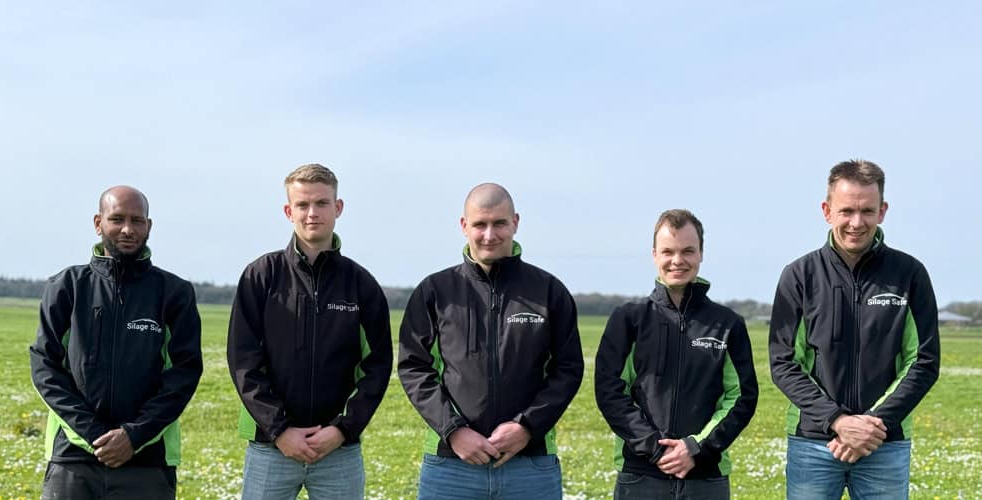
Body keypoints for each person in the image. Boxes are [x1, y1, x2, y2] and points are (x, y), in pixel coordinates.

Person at [398, 183, 584, 500]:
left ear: (515, 222)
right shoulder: (435, 291)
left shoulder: (549, 291)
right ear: (463, 226)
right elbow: (413, 367)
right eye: (479, 224)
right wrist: (453, 431)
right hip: (451, 466)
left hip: (530, 465)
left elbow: (568, 369)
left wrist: (527, 427)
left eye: (499, 223)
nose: (489, 235)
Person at [769, 159, 941, 499]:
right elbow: (784, 363)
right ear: (827, 211)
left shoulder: (910, 275)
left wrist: (873, 425)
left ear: (883, 211)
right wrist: (838, 421)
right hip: (813, 444)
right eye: (846, 211)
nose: (856, 222)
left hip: (884, 442)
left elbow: (923, 361)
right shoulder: (799, 276)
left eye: (867, 211)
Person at [227, 163, 392, 500]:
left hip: (338, 451)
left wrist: (342, 429)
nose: (312, 213)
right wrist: (279, 430)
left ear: (338, 207)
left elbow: (377, 367)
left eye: (321, 203)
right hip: (270, 448)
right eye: (302, 205)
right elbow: (243, 360)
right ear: (289, 211)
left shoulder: (361, 284)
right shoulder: (261, 276)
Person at [29, 186, 203, 499]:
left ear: (149, 226)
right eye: (117, 219)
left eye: (137, 221)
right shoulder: (66, 287)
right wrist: (94, 434)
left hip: (147, 462)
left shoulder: (174, 293)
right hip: (73, 459)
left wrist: (133, 436)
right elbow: (45, 368)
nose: (127, 229)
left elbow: (184, 374)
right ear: (98, 223)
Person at [594, 209, 758, 499]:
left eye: (688, 251)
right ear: (654, 255)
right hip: (640, 476)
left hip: (706, 477)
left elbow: (741, 398)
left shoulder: (728, 324)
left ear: (701, 254)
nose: (677, 260)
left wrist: (696, 448)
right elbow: (610, 392)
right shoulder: (628, 320)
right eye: (668, 251)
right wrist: (655, 448)